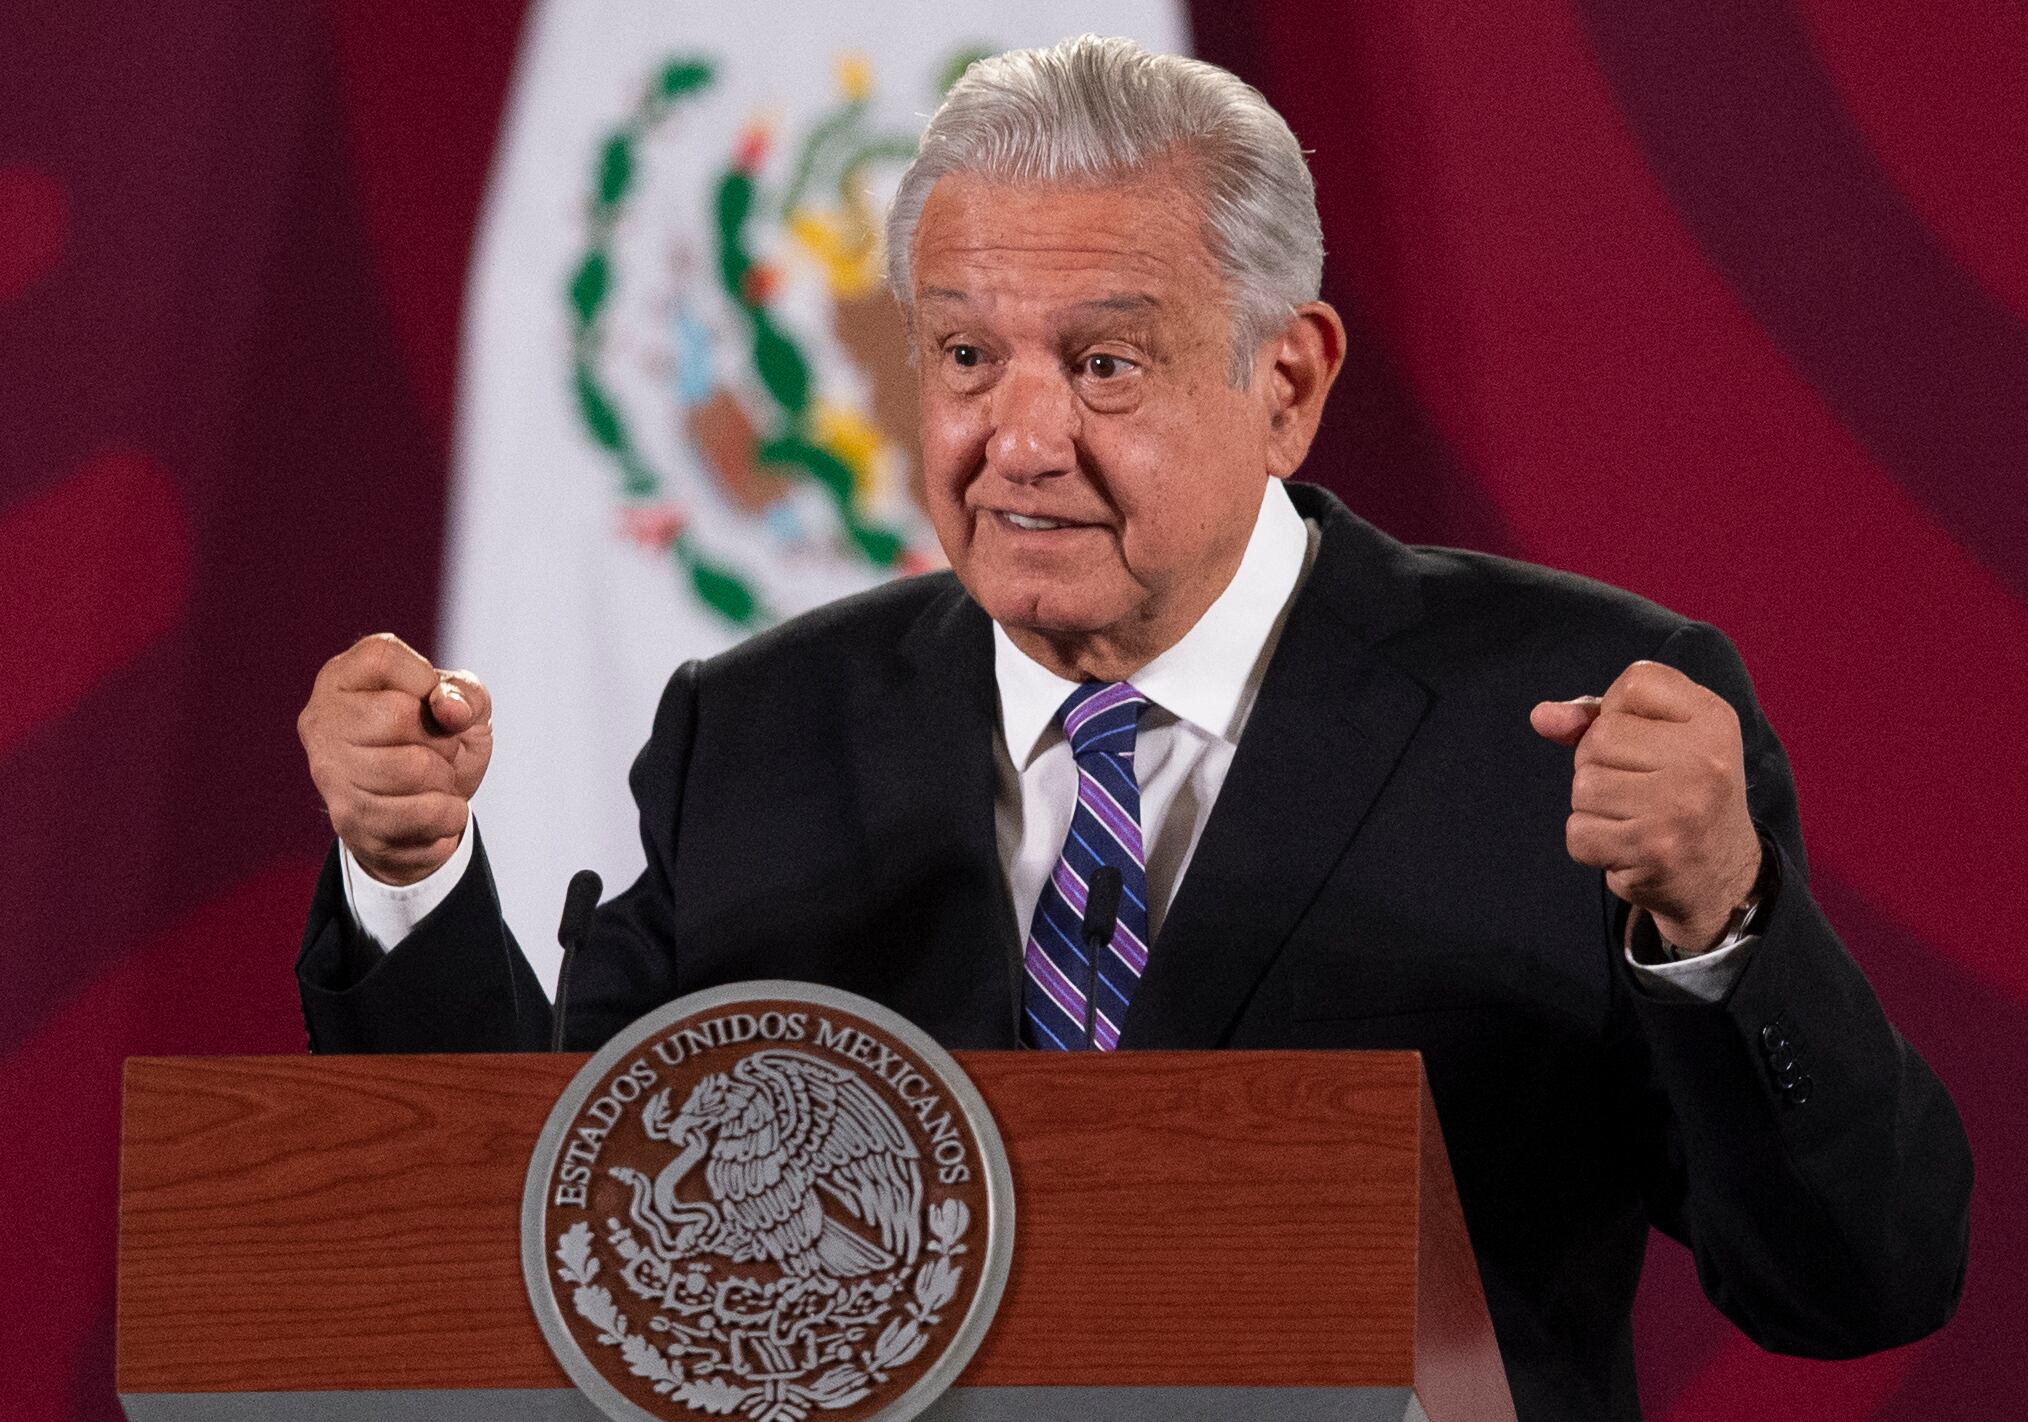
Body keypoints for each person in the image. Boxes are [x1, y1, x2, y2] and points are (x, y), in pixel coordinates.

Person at [293, 36, 1969, 1420]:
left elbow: (1857, 1279)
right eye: (963, 355)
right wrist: (410, 878)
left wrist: (1721, 923)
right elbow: (554, 1240)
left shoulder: (1564, 721)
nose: (1018, 441)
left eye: (1103, 365)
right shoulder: (762, 728)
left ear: (1288, 383)